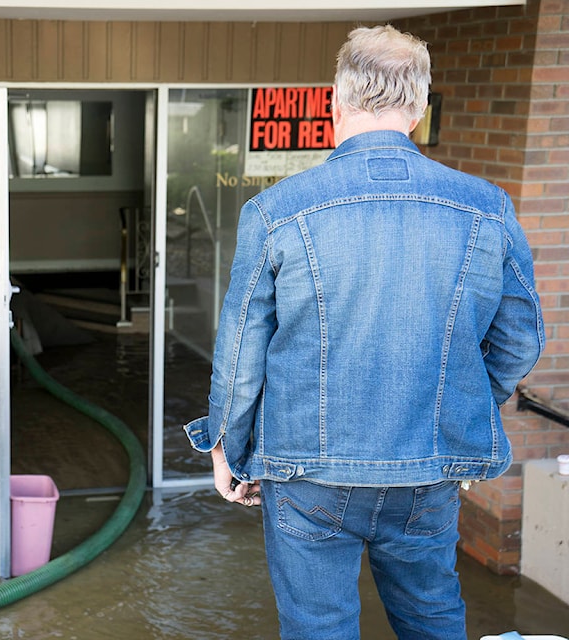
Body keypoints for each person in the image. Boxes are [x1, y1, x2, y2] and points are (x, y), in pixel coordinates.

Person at [184, 25, 545, 640]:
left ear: (335, 100)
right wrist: (459, 410)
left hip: (306, 471)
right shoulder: (485, 207)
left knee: (317, 627)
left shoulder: (277, 210)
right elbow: (520, 339)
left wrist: (225, 447)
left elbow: (242, 348)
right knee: (432, 618)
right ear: (420, 108)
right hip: (428, 466)